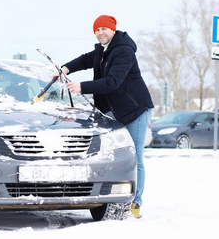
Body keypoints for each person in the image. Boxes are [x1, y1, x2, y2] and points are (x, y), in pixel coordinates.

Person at [57, 14, 154, 218]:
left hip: (135, 109)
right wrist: (66, 68)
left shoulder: (124, 51)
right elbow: (86, 60)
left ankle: (135, 202)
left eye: (104, 29)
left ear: (113, 29)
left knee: (134, 156)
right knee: (114, 154)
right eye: (97, 30)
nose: (100, 33)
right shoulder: (102, 50)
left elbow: (112, 82)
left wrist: (81, 87)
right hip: (114, 110)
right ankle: (114, 193)